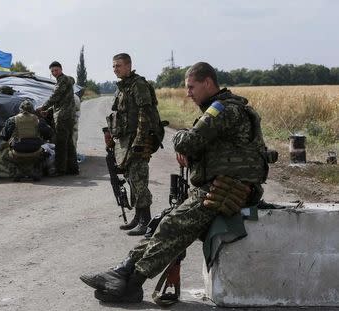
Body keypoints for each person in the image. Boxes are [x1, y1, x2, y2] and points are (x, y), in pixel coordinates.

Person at [80, 62, 269, 303]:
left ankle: (132, 284)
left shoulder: (223, 109)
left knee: (172, 225)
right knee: (161, 224)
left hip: (229, 190)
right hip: (219, 186)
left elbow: (186, 142)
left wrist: (181, 139)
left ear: (208, 83)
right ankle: (122, 272)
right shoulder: (222, 108)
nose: (188, 93)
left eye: (191, 87)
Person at [105, 53, 164, 236]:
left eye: (119, 66)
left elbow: (144, 114)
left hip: (138, 140)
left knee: (139, 179)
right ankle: (138, 218)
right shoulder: (122, 87)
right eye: (114, 66)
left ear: (129, 65)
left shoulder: (138, 85)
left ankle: (146, 221)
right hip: (125, 140)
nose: (116, 69)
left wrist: (140, 140)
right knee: (131, 178)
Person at [36, 61, 79, 176]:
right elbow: (61, 101)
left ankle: (61, 170)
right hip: (68, 115)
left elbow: (55, 96)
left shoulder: (62, 81)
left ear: (61, 69)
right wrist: (48, 110)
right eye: (52, 71)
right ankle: (73, 168)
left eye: (56, 70)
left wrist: (43, 107)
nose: (54, 72)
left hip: (62, 116)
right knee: (69, 143)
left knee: (60, 143)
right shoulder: (68, 80)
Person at [1, 100, 45, 181]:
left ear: (20, 109)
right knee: (46, 152)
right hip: (35, 151)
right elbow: (48, 134)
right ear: (32, 110)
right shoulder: (38, 119)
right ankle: (35, 171)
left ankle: (16, 171)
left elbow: (4, 136)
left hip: (17, 151)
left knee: (4, 155)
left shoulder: (12, 120)